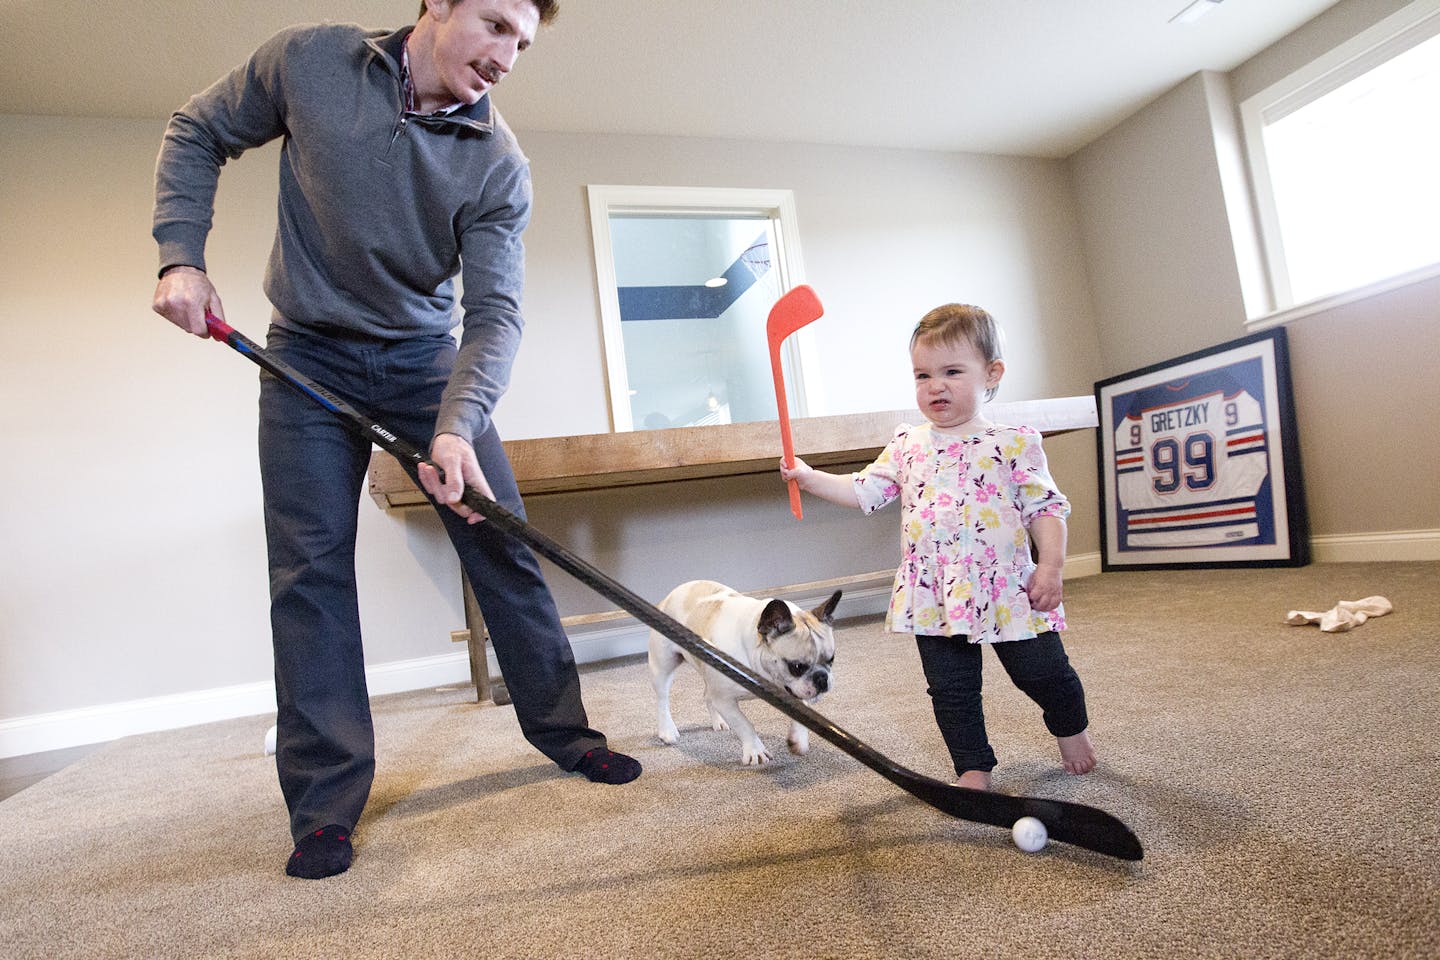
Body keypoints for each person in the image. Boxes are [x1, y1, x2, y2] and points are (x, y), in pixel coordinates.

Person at [150, 0, 641, 880]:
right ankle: (324, 807)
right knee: (309, 574)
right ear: (434, 6)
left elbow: (493, 316)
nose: (507, 56)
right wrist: (179, 254)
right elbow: (197, 128)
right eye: (493, 24)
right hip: (304, 353)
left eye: (522, 43)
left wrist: (456, 429)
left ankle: (566, 733)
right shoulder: (309, 63)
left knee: (501, 541)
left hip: (424, 365)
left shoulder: (499, 164)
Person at [779, 304, 1096, 791]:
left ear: (991, 374)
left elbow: (1045, 509)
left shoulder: (1013, 442)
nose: (935, 386)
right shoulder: (908, 443)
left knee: (1043, 673)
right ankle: (973, 766)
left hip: (1010, 584)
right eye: (922, 375)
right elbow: (863, 490)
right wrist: (809, 477)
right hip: (935, 591)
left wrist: (1050, 567)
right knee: (950, 689)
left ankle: (1070, 729)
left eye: (952, 371)